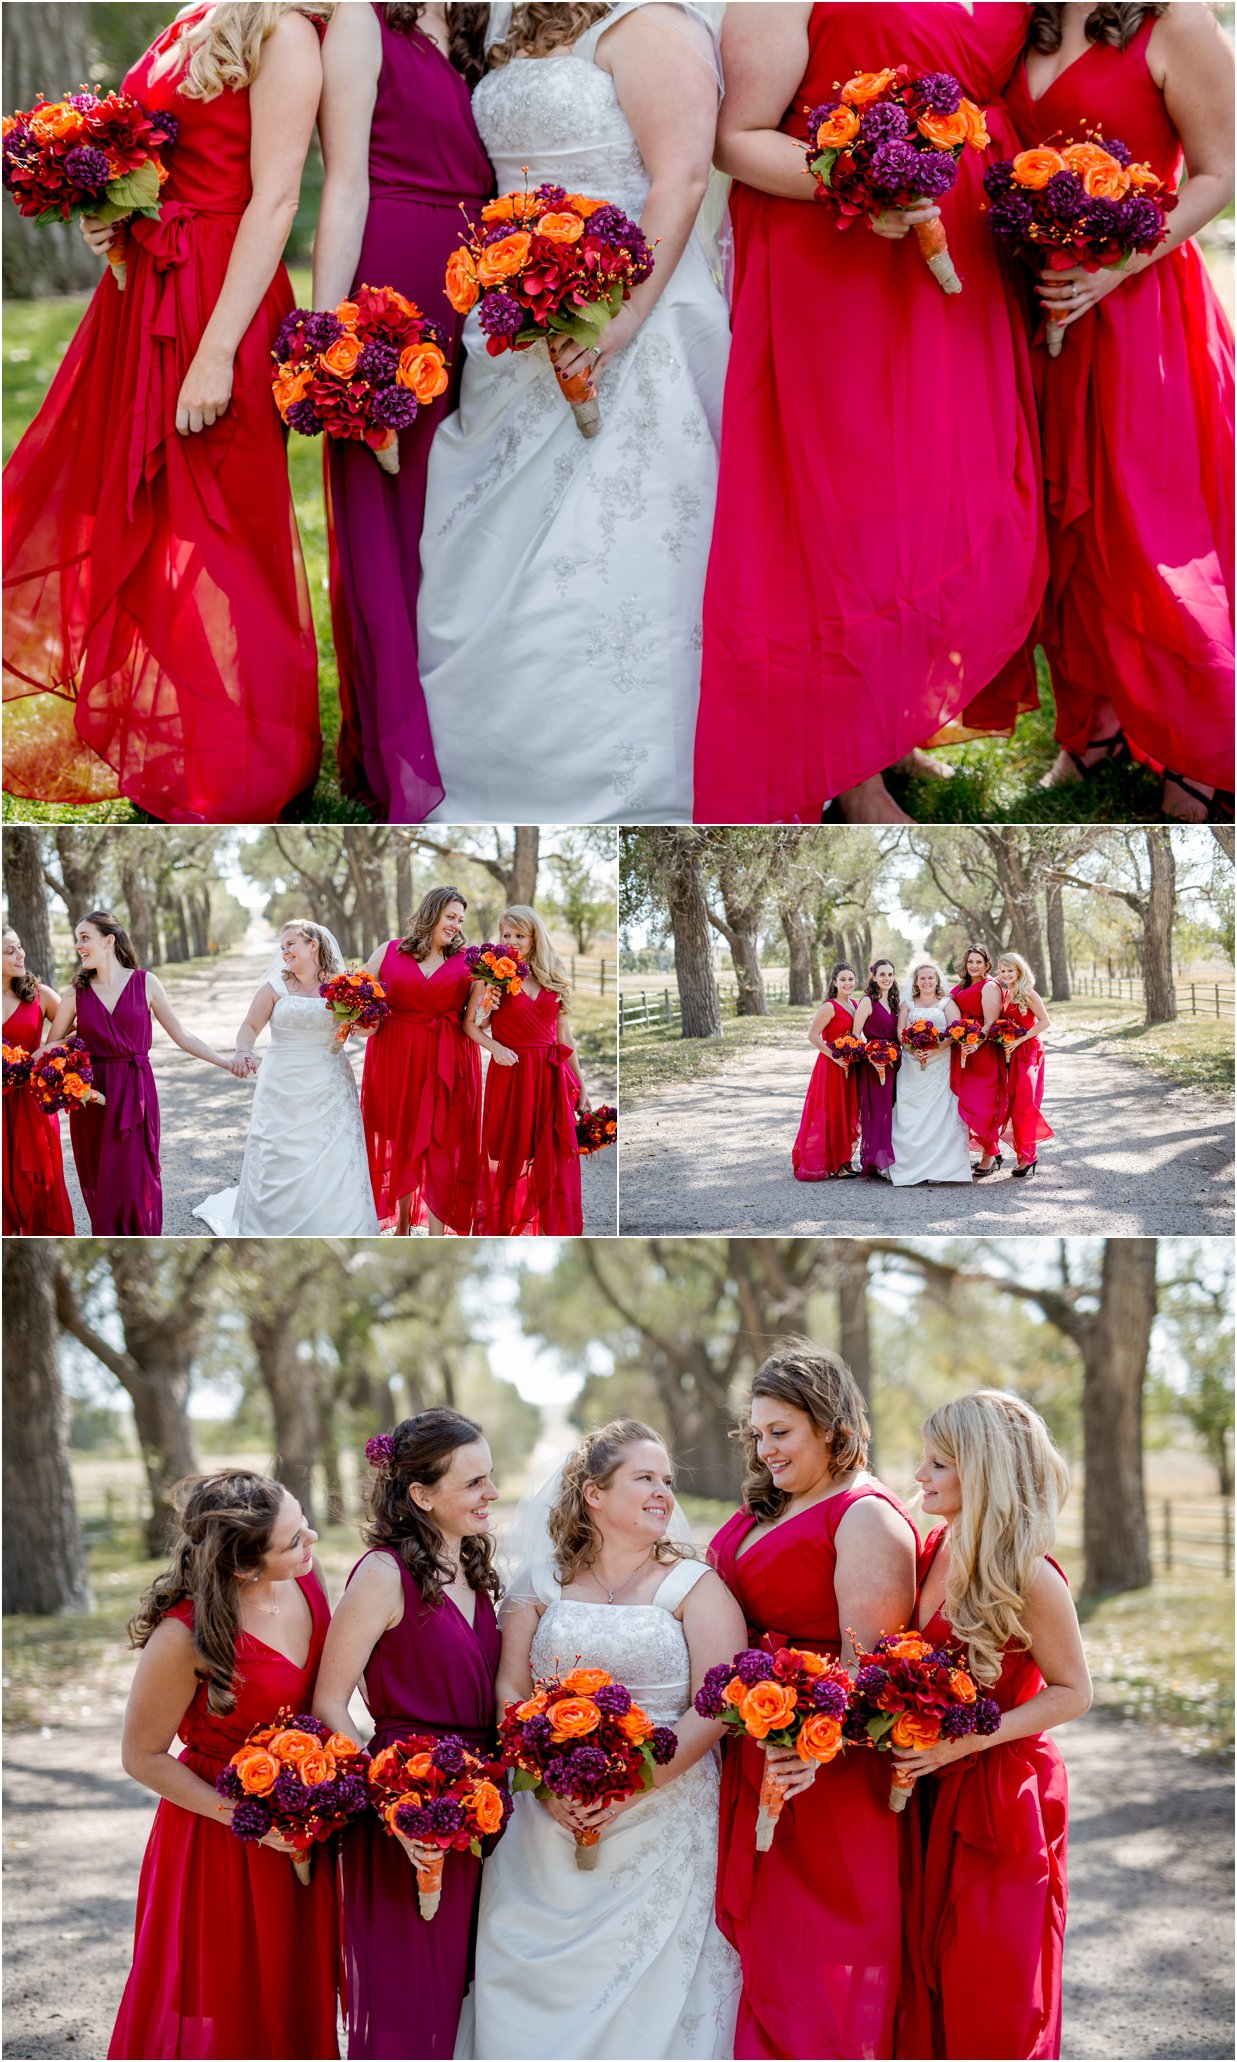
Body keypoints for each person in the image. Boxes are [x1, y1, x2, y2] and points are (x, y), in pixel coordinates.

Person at [694, 0, 1046, 823]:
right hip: (839, 251)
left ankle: (887, 724)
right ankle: (850, 773)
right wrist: (849, 187)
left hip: (960, 256)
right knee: (851, 509)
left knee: (935, 493)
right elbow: (737, 136)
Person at [3, 2, 325, 823]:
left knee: (225, 531)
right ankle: (181, 735)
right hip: (144, 287)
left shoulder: (284, 32)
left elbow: (278, 199)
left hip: (222, 293)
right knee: (142, 515)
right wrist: (112, 210)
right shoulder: (193, 14)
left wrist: (218, 351)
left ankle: (257, 762)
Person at [416, 1, 730, 822]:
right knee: (490, 542)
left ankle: (637, 774)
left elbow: (682, 180)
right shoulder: (507, 23)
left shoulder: (650, 23)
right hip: (515, 318)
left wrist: (616, 324)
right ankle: (500, 756)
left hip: (634, 310)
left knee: (613, 543)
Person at [1008, 2, 1234, 821]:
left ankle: (1204, 755)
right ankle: (1091, 732)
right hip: (1040, 307)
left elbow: (1217, 172)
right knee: (1063, 532)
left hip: (1142, 311)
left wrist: (1116, 266)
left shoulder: (1175, 22)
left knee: (1149, 530)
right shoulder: (1019, 21)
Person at [461, 1420, 744, 2059]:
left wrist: (635, 1784)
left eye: (667, 1481)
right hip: (544, 1810)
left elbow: (718, 1702)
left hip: (664, 1815)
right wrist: (545, 1779)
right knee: (529, 1969)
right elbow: (509, 1686)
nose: (663, 1494)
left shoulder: (695, 1585)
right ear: (593, 1493)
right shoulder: (540, 1583)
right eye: (644, 1478)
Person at [709, 1344, 918, 2059]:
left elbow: (874, 1678)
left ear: (829, 1425)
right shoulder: (775, 1503)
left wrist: (810, 1744)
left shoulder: (864, 1516)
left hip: (822, 1775)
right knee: (759, 1964)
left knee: (817, 1964)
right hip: (753, 1748)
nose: (764, 1450)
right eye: (756, 1434)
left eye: (781, 1432)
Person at [313, 1, 492, 818]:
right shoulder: (358, 20)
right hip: (396, 276)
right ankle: (408, 753)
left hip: (481, 289)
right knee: (399, 520)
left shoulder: (466, 29)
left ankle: (473, 726)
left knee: (464, 513)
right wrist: (329, 337)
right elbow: (344, 180)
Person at [108, 1471, 341, 2059]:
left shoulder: (308, 1587)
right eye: (292, 1540)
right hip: (219, 1833)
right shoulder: (183, 1636)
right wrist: (248, 1819)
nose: (311, 1540)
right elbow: (141, 1756)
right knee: (230, 1995)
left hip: (302, 1818)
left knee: (294, 1985)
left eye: (302, 1521)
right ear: (243, 1566)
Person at [895, 1391, 1091, 2061]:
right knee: (923, 1981)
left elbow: (1072, 1692)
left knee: (992, 1989)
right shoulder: (928, 1549)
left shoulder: (1029, 1575)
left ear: (981, 1473)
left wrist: (971, 1738)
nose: (920, 1475)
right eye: (923, 1460)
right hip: (920, 1795)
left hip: (999, 1801)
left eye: (938, 1464)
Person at [313, 1412, 502, 2060]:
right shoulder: (380, 1575)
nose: (491, 1493)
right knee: (410, 2003)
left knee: (470, 1998)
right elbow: (329, 1704)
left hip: (481, 1810)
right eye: (474, 1481)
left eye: (490, 1477)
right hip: (409, 1817)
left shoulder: (473, 1567)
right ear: (421, 1494)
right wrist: (397, 1804)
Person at [49, 911, 233, 1235]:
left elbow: (182, 1035)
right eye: (77, 939)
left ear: (109, 940)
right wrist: (74, 1043)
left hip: (136, 1092)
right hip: (94, 1098)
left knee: (136, 1181)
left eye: (84, 937)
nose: (78, 946)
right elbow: (52, 1049)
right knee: (101, 1182)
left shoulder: (146, 983)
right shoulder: (74, 993)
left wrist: (226, 1062)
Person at [194, 919, 380, 1235]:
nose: (285, 951)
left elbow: (367, 1028)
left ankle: (337, 1223)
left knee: (331, 1152)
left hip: (329, 1082)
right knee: (280, 1153)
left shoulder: (344, 986)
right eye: (281, 947)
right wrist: (243, 1051)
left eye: (291, 944)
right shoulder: (275, 988)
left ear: (313, 945)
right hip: (281, 1083)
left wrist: (362, 1026)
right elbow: (249, 1027)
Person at [359, 886, 482, 1233]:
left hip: (449, 1059)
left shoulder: (470, 962)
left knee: (444, 1141)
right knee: (402, 1136)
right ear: (432, 913)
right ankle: (401, 1223)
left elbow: (477, 1018)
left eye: (460, 919)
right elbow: (363, 1000)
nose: (456, 924)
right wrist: (354, 1021)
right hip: (396, 1057)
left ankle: (438, 1232)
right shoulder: (388, 951)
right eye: (450, 916)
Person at [467, 906, 588, 1235]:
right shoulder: (493, 975)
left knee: (551, 1153)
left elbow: (564, 1036)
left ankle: (550, 1227)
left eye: (520, 935)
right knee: (510, 1154)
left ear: (535, 938)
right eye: (507, 935)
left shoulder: (554, 976)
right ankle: (507, 1225)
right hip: (512, 1073)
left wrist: (582, 1088)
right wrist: (496, 1047)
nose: (513, 941)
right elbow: (474, 1027)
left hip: (549, 1076)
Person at [2, 926, 75, 1234]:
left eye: (19, 947)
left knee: (39, 1185)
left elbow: (82, 1028)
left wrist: (48, 1048)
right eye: (10, 950)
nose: (21, 954)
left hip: (32, 1105)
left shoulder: (40, 995)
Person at [890, 961, 973, 1187]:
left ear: (937, 980)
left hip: (939, 1064)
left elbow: (955, 1031)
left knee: (940, 1111)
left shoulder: (947, 1003)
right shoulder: (907, 1003)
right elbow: (900, 1031)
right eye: (922, 978)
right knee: (910, 1112)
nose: (927, 982)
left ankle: (945, 1167)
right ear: (916, 981)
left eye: (931, 978)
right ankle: (908, 1166)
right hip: (911, 1064)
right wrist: (913, 1050)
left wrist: (935, 1049)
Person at [791, 961, 860, 1180]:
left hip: (850, 1066)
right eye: (843, 980)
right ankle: (834, 1163)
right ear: (834, 982)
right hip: (831, 1066)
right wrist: (836, 1057)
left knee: (848, 1112)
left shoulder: (855, 1005)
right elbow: (813, 1036)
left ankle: (845, 1160)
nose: (847, 983)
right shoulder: (829, 1006)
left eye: (850, 979)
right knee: (832, 1112)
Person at [994, 949, 1053, 1176]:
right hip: (1008, 1053)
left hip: (1028, 1051)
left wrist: (1020, 1040)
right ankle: (1024, 1157)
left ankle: (1027, 1157)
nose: (1006, 974)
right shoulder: (1004, 993)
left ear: (1019, 971)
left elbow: (1045, 1022)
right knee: (1009, 1103)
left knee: (1024, 1104)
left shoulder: (1027, 993)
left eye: (1010, 970)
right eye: (1002, 970)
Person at [949, 942, 1006, 1176]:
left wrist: (974, 1043)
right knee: (965, 1101)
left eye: (978, 962)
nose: (973, 966)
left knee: (982, 1103)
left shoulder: (989, 986)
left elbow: (990, 1023)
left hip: (981, 1052)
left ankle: (989, 1155)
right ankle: (991, 1152)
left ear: (986, 965)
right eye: (970, 961)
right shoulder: (962, 985)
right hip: (962, 1049)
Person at [851, 956, 899, 1179]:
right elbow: (855, 1035)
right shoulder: (867, 1001)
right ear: (874, 977)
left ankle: (890, 1156)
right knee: (878, 1112)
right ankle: (878, 1161)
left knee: (893, 1111)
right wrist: (873, 1056)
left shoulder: (894, 1002)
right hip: (874, 1064)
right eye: (882, 974)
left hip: (895, 1063)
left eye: (890, 974)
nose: (886, 978)